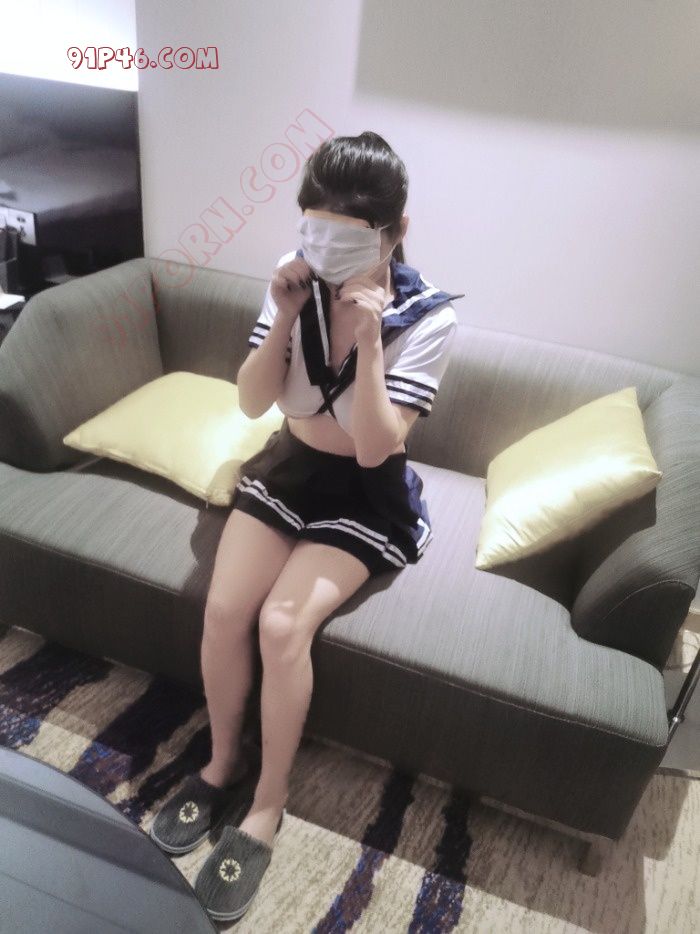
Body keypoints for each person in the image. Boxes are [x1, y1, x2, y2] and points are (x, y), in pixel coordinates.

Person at [150, 131, 465, 922]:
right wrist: (288, 312)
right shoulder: (293, 283)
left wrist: (370, 344)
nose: (325, 250)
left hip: (365, 493)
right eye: (314, 227)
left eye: (348, 236)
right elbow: (253, 401)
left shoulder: (427, 318)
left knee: (283, 625)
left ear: (394, 231)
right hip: (290, 470)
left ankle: (268, 799)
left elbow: (375, 447)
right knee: (225, 610)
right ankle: (222, 764)